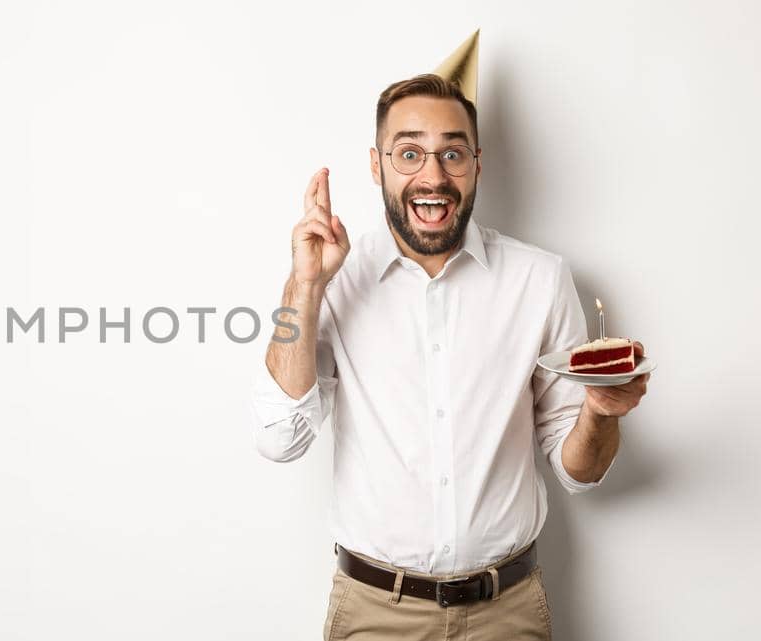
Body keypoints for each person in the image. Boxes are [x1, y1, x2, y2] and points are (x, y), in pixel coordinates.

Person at [252, 73, 651, 640]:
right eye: (409, 152)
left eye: (452, 154)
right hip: (374, 615)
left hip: (506, 615)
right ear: (376, 165)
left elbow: (578, 471)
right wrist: (305, 284)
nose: (432, 176)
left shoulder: (540, 279)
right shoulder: (335, 283)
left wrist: (601, 413)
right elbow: (278, 439)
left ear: (477, 164)